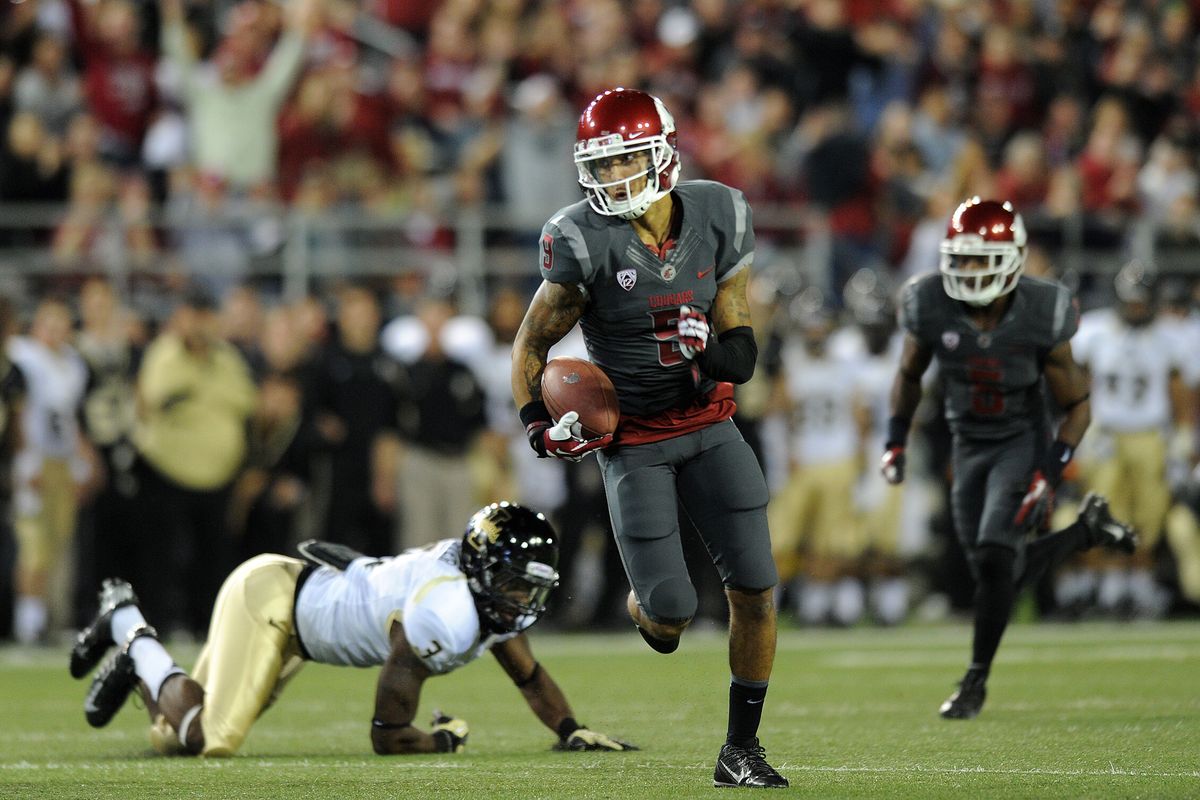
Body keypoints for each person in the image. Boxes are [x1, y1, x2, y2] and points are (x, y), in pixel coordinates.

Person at [511, 87, 787, 788]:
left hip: (710, 424)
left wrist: (707, 352)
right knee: (669, 617)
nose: (611, 176)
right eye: (600, 165)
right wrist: (539, 427)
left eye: (624, 160)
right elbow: (532, 343)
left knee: (756, 587)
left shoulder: (719, 213)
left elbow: (742, 355)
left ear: (662, 154)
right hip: (633, 440)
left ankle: (741, 749)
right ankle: (647, 604)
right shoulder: (581, 238)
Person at [69, 502, 636, 757]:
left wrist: (570, 729)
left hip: (299, 618)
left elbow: (529, 676)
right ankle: (129, 624)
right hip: (272, 603)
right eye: (516, 585)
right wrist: (440, 741)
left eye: (530, 588)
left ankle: (133, 653)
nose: (523, 601)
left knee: (170, 737)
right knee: (210, 739)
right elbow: (387, 735)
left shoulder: (480, 596)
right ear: (485, 573)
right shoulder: (442, 611)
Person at [881, 197, 1138, 720]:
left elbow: (1078, 406)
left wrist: (1050, 471)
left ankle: (974, 681)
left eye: (981, 258)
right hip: (965, 443)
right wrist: (895, 439)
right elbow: (909, 375)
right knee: (993, 572)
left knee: (998, 557)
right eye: (961, 258)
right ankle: (1085, 532)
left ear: (1013, 258)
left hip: (1019, 441)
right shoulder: (928, 301)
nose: (969, 269)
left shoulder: (1042, 310)